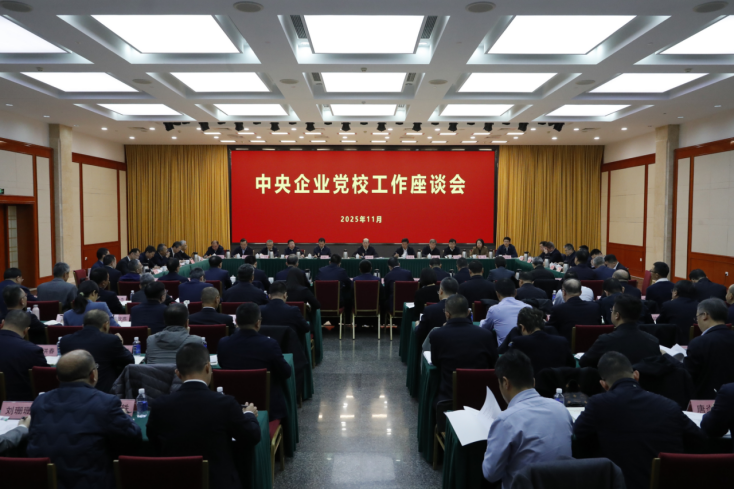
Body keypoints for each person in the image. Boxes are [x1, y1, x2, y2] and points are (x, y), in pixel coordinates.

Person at [574, 352, 703, 490]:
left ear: (604, 384)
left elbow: (578, 433)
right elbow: (699, 439)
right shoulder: (669, 405)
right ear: (636, 375)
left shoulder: (598, 404)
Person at [146, 343, 261, 489]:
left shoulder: (160, 405)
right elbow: (251, 436)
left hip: (174, 481)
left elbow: (153, 441)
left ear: (178, 373)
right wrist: (249, 414)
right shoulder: (225, 403)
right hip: (218, 483)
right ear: (208, 368)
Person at [26, 350, 142, 488]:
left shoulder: (40, 401)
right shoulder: (106, 403)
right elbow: (133, 437)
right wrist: (124, 416)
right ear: (93, 374)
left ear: (58, 377)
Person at [482, 350, 573, 488]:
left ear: (505, 383)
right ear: (533, 382)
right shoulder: (561, 409)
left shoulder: (505, 421)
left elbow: (491, 474)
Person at [218, 303, 292, 421]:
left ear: (236, 322)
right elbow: (286, 372)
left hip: (232, 405)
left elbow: (222, 364)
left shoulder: (223, 343)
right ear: (258, 323)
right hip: (267, 407)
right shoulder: (270, 344)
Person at [431, 294, 497, 407]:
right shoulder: (486, 335)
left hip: (449, 398)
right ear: (468, 312)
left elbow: (435, 362)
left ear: (447, 314)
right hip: (482, 398)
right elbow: (493, 363)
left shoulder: (437, 335)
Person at [59, 309, 134, 393]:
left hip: (70, 392)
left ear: (83, 325)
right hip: (103, 392)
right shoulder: (110, 340)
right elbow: (130, 361)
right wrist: (121, 345)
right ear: (106, 325)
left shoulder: (65, 341)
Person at [579, 295, 659, 368]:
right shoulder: (653, 341)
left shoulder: (605, 340)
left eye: (612, 310)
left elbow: (583, 362)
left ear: (617, 315)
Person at [685, 298, 734, 399]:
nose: (697, 321)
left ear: (705, 315)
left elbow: (687, 377)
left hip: (706, 400)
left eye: (697, 317)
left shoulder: (698, 343)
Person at [506, 308, 575, 374]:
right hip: (557, 381)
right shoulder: (562, 341)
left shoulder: (518, 343)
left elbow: (508, 365)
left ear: (522, 327)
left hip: (529, 381)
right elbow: (572, 365)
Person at [0, 310, 48, 401]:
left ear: (2, 323)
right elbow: (44, 379)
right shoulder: (32, 350)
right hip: (20, 402)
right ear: (26, 330)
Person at [480, 279, 531, 345]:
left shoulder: (494, 309)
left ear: (497, 294)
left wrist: (482, 321)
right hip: (527, 348)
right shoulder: (528, 307)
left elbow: (484, 329)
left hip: (505, 350)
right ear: (515, 292)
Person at [415, 278, 459, 348]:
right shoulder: (462, 310)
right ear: (457, 293)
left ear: (441, 291)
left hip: (432, 348)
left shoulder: (429, 310)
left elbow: (420, 333)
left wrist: (417, 325)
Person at [657, 280, 699, 345]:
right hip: (696, 342)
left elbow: (659, 323)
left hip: (673, 343)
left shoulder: (668, 305)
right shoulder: (699, 305)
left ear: (675, 292)